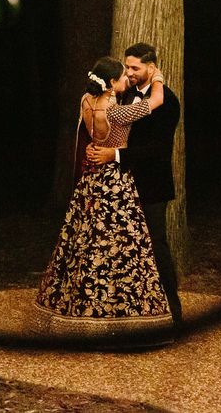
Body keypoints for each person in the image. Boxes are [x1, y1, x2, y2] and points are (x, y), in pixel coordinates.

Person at [32, 56, 172, 338]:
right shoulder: (118, 113)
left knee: (85, 240)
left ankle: (76, 307)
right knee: (121, 242)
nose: (127, 80)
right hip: (115, 182)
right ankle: (116, 313)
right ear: (111, 83)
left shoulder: (85, 100)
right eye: (122, 76)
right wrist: (157, 78)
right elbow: (156, 101)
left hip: (90, 180)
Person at [86, 43, 182, 326]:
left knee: (156, 245)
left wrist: (112, 155)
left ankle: (173, 316)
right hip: (118, 188)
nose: (129, 72)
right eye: (126, 67)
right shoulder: (121, 95)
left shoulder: (169, 102)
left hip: (151, 186)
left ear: (151, 68)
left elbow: (157, 150)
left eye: (135, 68)